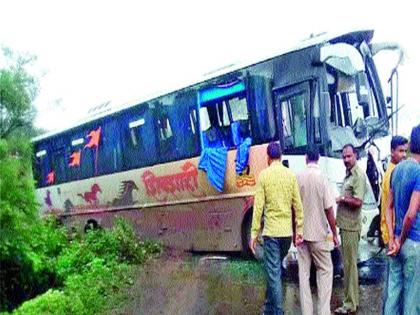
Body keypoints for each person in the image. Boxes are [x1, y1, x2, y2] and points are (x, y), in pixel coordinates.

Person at [249, 141, 304, 315]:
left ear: (268, 157)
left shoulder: (264, 176)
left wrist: (253, 234)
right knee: (274, 271)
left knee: (273, 273)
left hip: (272, 233)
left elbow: (258, 207)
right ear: (280, 156)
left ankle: (277, 311)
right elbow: (298, 206)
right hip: (286, 234)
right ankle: (268, 308)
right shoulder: (290, 175)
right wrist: (299, 231)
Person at [296, 145, 338, 315]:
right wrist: (334, 233)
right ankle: (323, 312)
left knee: (303, 276)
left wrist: (295, 233)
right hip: (320, 235)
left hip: (302, 235)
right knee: (325, 271)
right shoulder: (323, 178)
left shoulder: (297, 177)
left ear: (306, 158)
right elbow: (329, 209)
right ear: (318, 158)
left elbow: (294, 208)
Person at [383, 125, 420, 315]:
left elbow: (388, 207)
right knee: (411, 301)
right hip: (413, 243)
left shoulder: (396, 170)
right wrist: (401, 239)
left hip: (396, 242)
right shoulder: (419, 172)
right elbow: (412, 214)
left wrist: (392, 238)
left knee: (393, 295)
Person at [334, 144, 367, 314]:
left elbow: (358, 201)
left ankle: (350, 304)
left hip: (351, 226)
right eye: (344, 157)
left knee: (349, 266)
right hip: (345, 226)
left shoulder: (358, 175)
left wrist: (342, 199)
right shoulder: (349, 174)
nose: (346, 160)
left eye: (348, 156)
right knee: (348, 266)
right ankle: (352, 300)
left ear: (355, 155)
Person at [380, 136, 409, 245]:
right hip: (393, 233)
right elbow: (390, 207)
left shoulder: (394, 170)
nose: (404, 155)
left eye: (406, 151)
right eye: (401, 151)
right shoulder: (393, 173)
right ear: (392, 151)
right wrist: (393, 237)